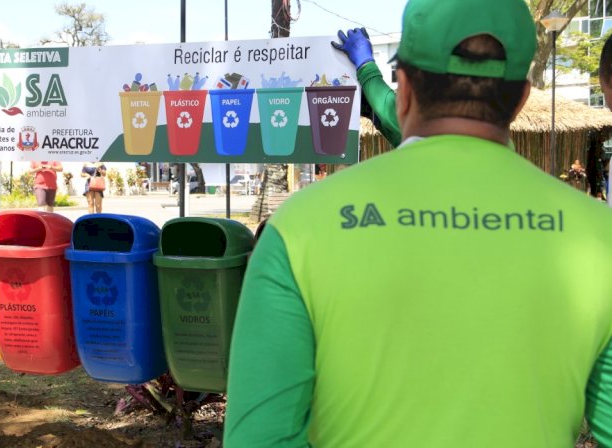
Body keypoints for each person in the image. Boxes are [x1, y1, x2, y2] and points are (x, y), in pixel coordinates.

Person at [224, 0, 612, 447]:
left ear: (403, 87)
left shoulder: (298, 231)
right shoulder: (599, 237)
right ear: (521, 98)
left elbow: (258, 438)